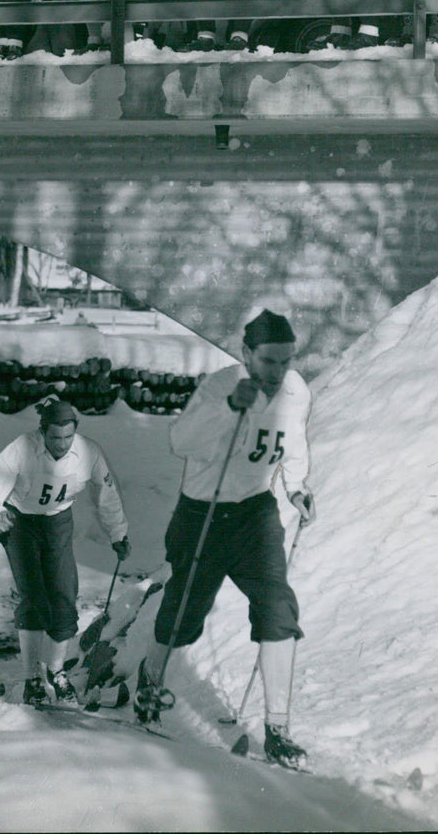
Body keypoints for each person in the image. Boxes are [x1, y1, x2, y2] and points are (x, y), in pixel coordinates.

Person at [134, 309, 316, 770]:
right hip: (202, 514)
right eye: (269, 361)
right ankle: (150, 683)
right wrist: (230, 407)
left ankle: (278, 730)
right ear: (245, 353)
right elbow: (183, 441)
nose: (278, 372)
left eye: (286, 361)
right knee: (184, 612)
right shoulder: (218, 388)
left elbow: (293, 442)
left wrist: (296, 486)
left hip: (255, 514)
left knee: (278, 608)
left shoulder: (296, 391)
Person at [0, 396, 130, 706]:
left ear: (76, 432)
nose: (61, 444)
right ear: (43, 431)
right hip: (20, 522)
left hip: (58, 522)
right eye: (55, 437)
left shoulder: (88, 453)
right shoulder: (23, 447)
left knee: (64, 596)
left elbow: (106, 495)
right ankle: (31, 677)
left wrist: (118, 533)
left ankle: (56, 672)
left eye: (68, 437)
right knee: (34, 596)